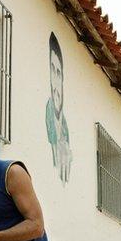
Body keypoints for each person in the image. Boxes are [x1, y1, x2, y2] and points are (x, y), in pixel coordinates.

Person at [45, 33, 72, 184]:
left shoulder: (65, 127)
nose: (55, 82)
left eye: (58, 73)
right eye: (52, 70)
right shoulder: (48, 114)